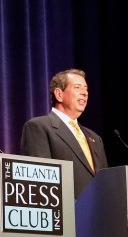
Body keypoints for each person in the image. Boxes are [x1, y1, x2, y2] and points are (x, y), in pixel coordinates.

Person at [20, 68, 108, 199]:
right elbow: (41, 181)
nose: (85, 93)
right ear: (59, 94)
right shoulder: (39, 127)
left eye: (86, 89)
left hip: (98, 213)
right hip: (64, 213)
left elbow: (105, 180)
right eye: (78, 87)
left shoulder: (94, 137)